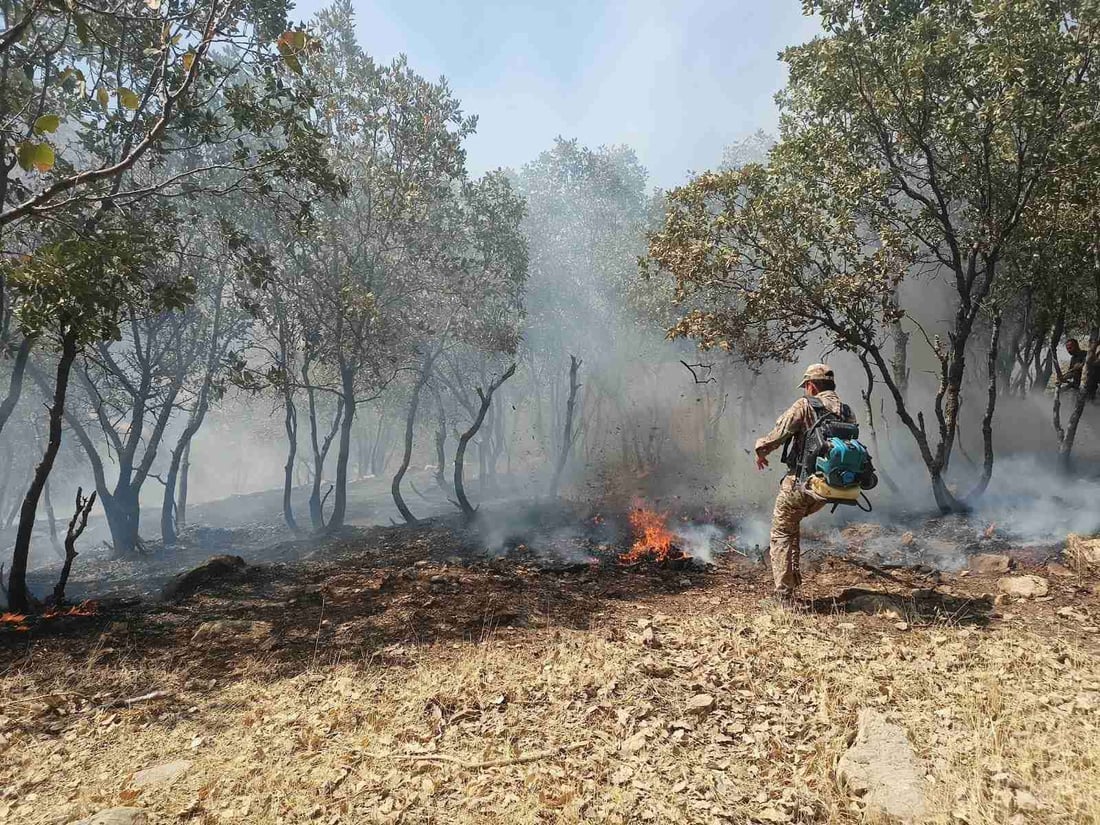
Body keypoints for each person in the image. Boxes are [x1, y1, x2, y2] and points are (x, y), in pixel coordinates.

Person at [753, 363, 856, 600]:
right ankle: (793, 581)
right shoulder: (847, 411)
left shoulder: (805, 405)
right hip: (829, 488)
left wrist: (760, 450)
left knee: (781, 533)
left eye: (806, 386)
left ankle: (783, 596)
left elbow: (778, 435)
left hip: (802, 483)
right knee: (792, 525)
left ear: (811, 385)